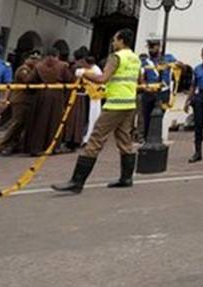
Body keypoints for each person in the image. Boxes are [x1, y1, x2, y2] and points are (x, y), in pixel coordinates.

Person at [52, 29, 142, 193]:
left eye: (115, 40)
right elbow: (139, 80)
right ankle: (126, 178)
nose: (113, 43)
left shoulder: (117, 57)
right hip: (129, 103)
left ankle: (77, 182)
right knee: (124, 141)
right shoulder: (135, 58)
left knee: (95, 140)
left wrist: (82, 73)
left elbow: (102, 78)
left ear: (121, 40)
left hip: (114, 104)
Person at [23, 48, 75, 155]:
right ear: (57, 55)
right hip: (57, 95)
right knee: (54, 121)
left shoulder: (39, 66)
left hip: (41, 94)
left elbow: (28, 80)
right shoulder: (62, 66)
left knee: (39, 121)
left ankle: (35, 148)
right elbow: (70, 80)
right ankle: (53, 147)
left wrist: (35, 89)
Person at [0, 51, 40, 155]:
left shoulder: (30, 70)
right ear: (27, 59)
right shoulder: (23, 70)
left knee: (21, 124)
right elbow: (27, 81)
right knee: (16, 123)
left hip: (26, 100)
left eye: (36, 59)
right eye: (33, 59)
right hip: (20, 100)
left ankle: (14, 144)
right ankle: (2, 144)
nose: (35, 61)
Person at [139, 39, 175, 142]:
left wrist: (170, 65)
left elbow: (181, 67)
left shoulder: (168, 58)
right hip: (149, 92)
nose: (151, 49)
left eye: (153, 47)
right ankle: (146, 139)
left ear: (159, 47)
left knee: (158, 117)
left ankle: (156, 138)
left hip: (163, 92)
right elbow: (141, 77)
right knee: (147, 117)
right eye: (149, 47)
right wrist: (145, 87)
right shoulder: (145, 61)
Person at [74, 55, 103, 143]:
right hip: (89, 97)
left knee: (92, 119)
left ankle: (88, 138)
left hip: (94, 98)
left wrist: (82, 72)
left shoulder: (94, 71)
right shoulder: (89, 70)